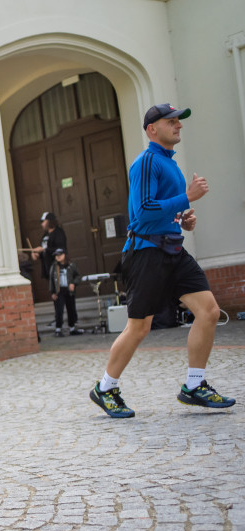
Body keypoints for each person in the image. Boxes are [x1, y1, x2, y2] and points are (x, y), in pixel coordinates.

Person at [90, 103, 235, 418]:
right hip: (145, 253)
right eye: (171, 121)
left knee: (208, 311)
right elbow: (142, 211)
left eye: (179, 121)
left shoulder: (171, 164)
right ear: (152, 129)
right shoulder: (145, 163)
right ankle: (104, 388)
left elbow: (162, 210)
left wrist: (182, 220)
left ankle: (194, 386)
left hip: (173, 249)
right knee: (139, 327)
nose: (178, 125)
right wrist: (187, 198)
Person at [48, 248, 83, 337]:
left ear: (64, 255)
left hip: (69, 290)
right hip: (59, 291)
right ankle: (58, 329)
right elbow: (51, 280)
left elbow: (78, 276)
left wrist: (74, 283)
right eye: (56, 256)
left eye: (60, 255)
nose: (58, 257)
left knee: (71, 309)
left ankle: (72, 327)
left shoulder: (71, 265)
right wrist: (52, 292)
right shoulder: (54, 266)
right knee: (59, 310)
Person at [31, 212, 67, 280]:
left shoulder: (59, 233)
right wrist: (37, 254)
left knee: (60, 288)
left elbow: (60, 249)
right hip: (48, 267)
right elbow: (44, 249)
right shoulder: (45, 235)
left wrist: (43, 250)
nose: (42, 224)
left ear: (49, 221)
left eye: (43, 222)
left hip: (58, 266)